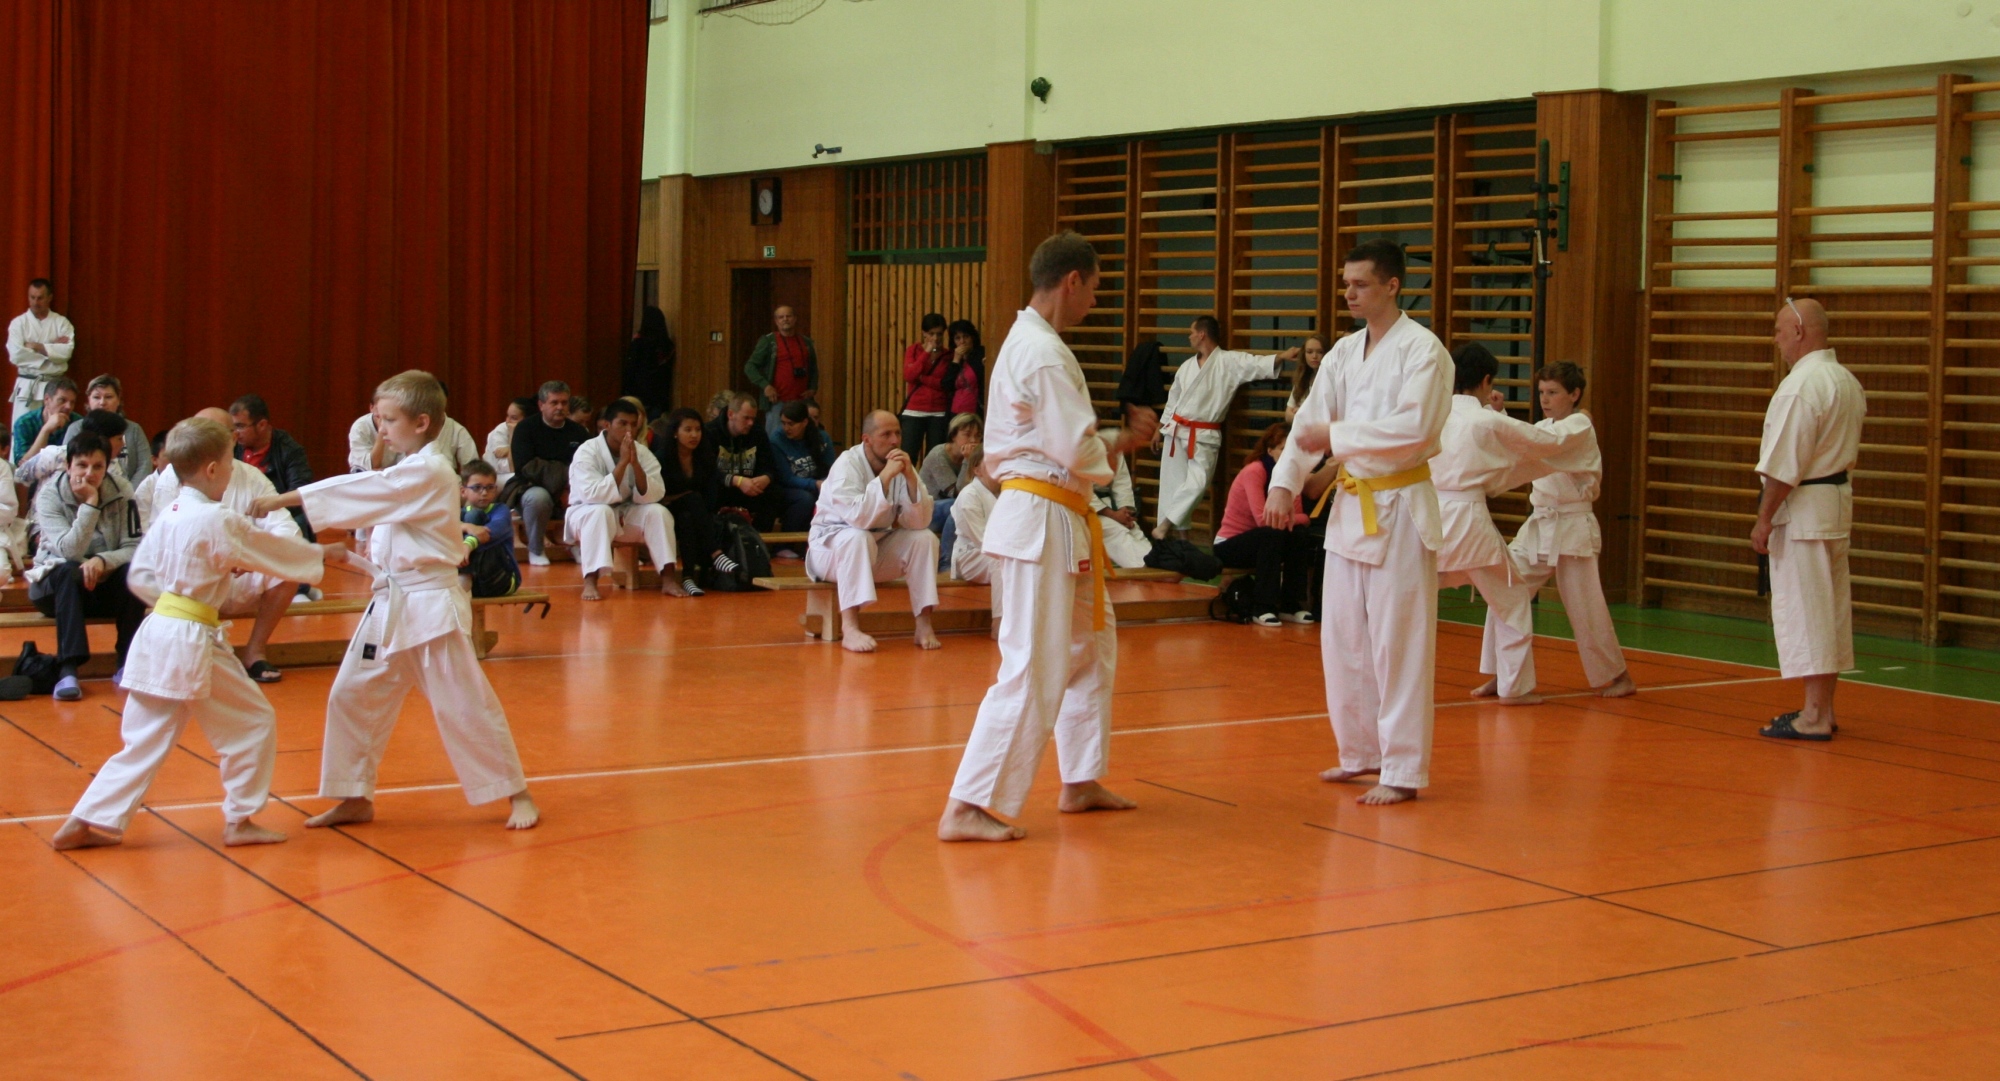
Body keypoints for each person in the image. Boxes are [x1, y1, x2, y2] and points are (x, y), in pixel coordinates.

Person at [940, 230, 1160, 842]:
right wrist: (1122, 440)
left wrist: (1109, 443)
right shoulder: (1043, 352)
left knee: (1092, 646)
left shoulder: (1033, 343)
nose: (1095, 300)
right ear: (1072, 281)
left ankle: (1080, 778)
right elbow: (1076, 450)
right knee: (1033, 664)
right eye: (1095, 288)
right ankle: (968, 804)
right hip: (1042, 518)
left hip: (1058, 518)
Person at [254, 370, 538, 831]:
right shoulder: (407, 470)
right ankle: (354, 796)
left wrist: (278, 500)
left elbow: (361, 491)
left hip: (429, 604)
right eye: (378, 419)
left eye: (389, 420)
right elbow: (374, 492)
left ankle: (517, 794)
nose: (381, 429)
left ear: (422, 422)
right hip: (390, 602)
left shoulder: (430, 470)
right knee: (352, 695)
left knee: (462, 702)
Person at [49, 418, 333, 852]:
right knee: (253, 722)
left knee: (144, 741)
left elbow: (140, 576)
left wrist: (184, 594)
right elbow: (273, 553)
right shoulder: (218, 518)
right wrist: (320, 553)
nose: (234, 472)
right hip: (192, 641)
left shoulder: (171, 514)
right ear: (214, 469)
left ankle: (84, 819)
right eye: (231, 464)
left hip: (158, 630)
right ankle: (240, 820)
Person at [1265, 239, 1454, 806]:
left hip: (1401, 510)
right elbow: (1308, 424)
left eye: (1361, 284)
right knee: (1343, 638)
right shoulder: (1345, 353)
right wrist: (1283, 483)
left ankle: (1403, 769)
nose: (1349, 292)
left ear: (1392, 286)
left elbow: (1416, 429)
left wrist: (1338, 437)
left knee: (1399, 645)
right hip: (1351, 510)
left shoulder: (1424, 351)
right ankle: (1361, 752)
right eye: (1346, 283)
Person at [1434, 344, 1593, 706]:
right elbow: (1544, 441)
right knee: (1512, 598)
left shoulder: (1434, 415)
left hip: (1429, 519)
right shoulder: (1485, 420)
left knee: (1411, 600)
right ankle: (1514, 687)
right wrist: (1580, 421)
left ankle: (1384, 680)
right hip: (1468, 522)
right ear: (1486, 380)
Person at [1752, 297, 1866, 741]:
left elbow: (1784, 466)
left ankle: (1815, 716)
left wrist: (1763, 518)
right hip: (1832, 503)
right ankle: (1823, 709)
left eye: (1779, 331)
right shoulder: (1844, 380)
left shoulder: (1801, 385)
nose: (1776, 340)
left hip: (1802, 511)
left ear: (1799, 331)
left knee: (1807, 613)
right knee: (1829, 611)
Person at [150, 407, 323, 684]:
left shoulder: (250, 478)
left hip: (236, 582)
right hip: (190, 596)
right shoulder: (174, 482)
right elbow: (162, 546)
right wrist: (322, 554)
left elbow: (286, 532)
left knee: (286, 570)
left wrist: (251, 560)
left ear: (232, 439)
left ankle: (255, 651)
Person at [1498, 362, 1636, 700]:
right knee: (1502, 588)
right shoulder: (1543, 428)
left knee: (1586, 607)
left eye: (1553, 392)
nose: (1544, 399)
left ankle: (1619, 676)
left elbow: (1542, 442)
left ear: (1574, 394)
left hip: (1572, 526)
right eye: (1541, 392)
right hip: (1539, 526)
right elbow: (1522, 443)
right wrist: (1496, 416)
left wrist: (1498, 420)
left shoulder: (1578, 426)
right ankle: (1502, 675)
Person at [806, 410, 941, 652]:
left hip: (873, 548)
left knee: (924, 538)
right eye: (886, 434)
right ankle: (850, 628)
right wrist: (885, 477)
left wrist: (911, 479)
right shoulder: (847, 464)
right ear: (866, 439)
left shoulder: (902, 465)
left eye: (898, 433)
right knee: (856, 537)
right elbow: (859, 518)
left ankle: (923, 624)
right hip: (828, 551)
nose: (894, 440)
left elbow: (919, 522)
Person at [27, 428, 146, 700]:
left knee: (134, 572)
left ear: (107, 467)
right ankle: (67, 671)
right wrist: (91, 504)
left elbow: (134, 547)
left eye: (97, 466)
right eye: (81, 465)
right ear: (68, 466)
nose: (89, 473)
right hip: (53, 587)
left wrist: (102, 560)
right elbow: (69, 550)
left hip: (102, 585)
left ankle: (127, 663)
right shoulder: (49, 495)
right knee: (69, 571)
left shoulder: (121, 490)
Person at [1154, 315, 1298, 539]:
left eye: (1192, 332)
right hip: (1176, 430)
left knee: (1198, 483)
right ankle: (1181, 541)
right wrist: (1160, 427)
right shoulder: (1186, 367)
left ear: (1202, 334)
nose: (1189, 337)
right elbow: (1173, 400)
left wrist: (1282, 356)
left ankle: (1165, 525)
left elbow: (1255, 364)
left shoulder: (1228, 361)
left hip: (1205, 433)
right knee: (1173, 485)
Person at [566, 398, 686, 601]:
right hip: (586, 514)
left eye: (633, 424)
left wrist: (635, 464)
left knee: (659, 512)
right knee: (600, 511)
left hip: (625, 514)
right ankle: (590, 582)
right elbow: (592, 495)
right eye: (623, 423)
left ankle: (668, 579)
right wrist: (622, 463)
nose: (629, 429)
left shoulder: (641, 452)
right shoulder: (587, 451)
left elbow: (656, 493)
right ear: (607, 424)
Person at [1215, 422, 1320, 626]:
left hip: (1268, 542)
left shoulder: (1293, 475)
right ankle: (1262, 606)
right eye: (1282, 449)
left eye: (1291, 450)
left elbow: (1296, 517)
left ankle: (1291, 604)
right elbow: (1263, 519)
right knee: (1272, 532)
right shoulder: (1254, 471)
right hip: (1231, 544)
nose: (1287, 455)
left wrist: (1300, 520)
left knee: (1297, 533)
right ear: (1270, 450)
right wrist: (1304, 518)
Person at [654, 407, 740, 595]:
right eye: (688, 430)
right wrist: (685, 497)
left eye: (698, 429)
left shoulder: (705, 457)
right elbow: (657, 495)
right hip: (665, 514)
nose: (694, 435)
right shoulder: (662, 457)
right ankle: (716, 554)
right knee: (692, 499)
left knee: (688, 517)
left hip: (695, 516)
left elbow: (710, 494)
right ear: (675, 433)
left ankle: (688, 578)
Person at [509, 380, 591, 566]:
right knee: (539, 497)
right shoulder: (525, 428)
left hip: (570, 489)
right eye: (554, 402)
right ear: (541, 405)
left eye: (564, 402)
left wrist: (568, 485)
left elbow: (585, 465)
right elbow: (527, 467)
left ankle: (577, 545)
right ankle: (536, 549)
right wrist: (564, 477)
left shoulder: (579, 432)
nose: (560, 407)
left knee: (589, 497)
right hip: (530, 487)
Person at [709, 392, 810, 531]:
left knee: (774, 493)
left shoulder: (757, 432)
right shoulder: (710, 432)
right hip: (723, 488)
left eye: (753, 418)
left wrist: (766, 477)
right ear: (731, 414)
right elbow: (707, 471)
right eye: (746, 418)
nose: (750, 423)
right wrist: (738, 481)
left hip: (750, 488)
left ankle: (760, 538)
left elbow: (770, 466)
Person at [229, 394, 315, 540]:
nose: (236, 433)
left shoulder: (289, 450)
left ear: (262, 425)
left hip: (277, 512)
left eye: (241, 426)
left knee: (299, 521)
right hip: (241, 511)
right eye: (233, 427)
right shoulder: (232, 447)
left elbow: (300, 490)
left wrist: (272, 510)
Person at [348, 381, 479, 475]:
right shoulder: (362, 427)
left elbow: (474, 468)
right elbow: (366, 469)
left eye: (389, 419)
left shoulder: (455, 431)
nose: (383, 428)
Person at [770, 398, 837, 558]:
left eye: (791, 424)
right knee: (805, 498)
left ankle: (825, 544)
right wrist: (815, 484)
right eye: (783, 423)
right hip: (786, 488)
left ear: (804, 422)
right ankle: (783, 545)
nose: (786, 428)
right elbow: (786, 477)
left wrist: (824, 483)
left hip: (815, 484)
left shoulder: (822, 438)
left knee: (833, 496)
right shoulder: (777, 439)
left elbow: (832, 469)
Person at [745, 305, 819, 440]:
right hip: (777, 402)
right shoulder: (769, 342)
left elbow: (813, 368)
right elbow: (750, 367)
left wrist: (813, 387)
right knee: (775, 440)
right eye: (781, 317)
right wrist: (766, 386)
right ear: (776, 321)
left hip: (802, 402)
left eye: (788, 316)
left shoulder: (806, 342)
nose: (785, 319)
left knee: (806, 439)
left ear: (795, 318)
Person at [7, 279, 75, 424]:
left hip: (54, 387)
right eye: (32, 297)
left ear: (50, 297)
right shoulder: (18, 324)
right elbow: (16, 355)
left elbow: (66, 352)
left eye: (40, 298)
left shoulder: (61, 323)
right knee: (23, 428)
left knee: (55, 428)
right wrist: (51, 349)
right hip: (28, 386)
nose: (35, 302)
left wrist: (38, 347)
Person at [63, 375, 150, 484]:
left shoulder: (134, 429)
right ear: (88, 400)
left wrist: (128, 491)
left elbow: (145, 464)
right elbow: (67, 461)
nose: (102, 402)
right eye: (96, 397)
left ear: (118, 400)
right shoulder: (76, 428)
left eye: (108, 397)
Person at [920, 412, 981, 557]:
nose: (973, 440)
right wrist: (968, 461)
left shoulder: (976, 456)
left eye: (977, 436)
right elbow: (957, 493)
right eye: (967, 435)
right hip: (925, 511)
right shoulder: (938, 455)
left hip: (949, 511)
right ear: (953, 435)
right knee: (958, 505)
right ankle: (946, 561)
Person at [459, 460, 520, 598]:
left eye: (490, 487)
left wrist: (468, 544)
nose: (484, 493)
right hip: (475, 581)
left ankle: (464, 577)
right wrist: (467, 526)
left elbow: (491, 531)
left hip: (501, 579)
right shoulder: (459, 513)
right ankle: (465, 578)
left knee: (474, 516)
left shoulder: (502, 510)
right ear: (463, 491)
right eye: (477, 487)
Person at [901, 313, 956, 457]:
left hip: (938, 412)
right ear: (924, 333)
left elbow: (944, 384)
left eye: (939, 334)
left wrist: (922, 378)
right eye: (931, 334)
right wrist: (926, 353)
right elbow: (909, 375)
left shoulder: (948, 355)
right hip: (914, 410)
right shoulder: (914, 350)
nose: (936, 338)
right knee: (908, 456)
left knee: (935, 458)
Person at [623, 305, 677, 422]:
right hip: (660, 396)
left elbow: (630, 370)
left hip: (640, 395)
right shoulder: (667, 345)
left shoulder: (638, 344)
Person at [13, 375, 76, 466]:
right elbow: (23, 466)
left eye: (72, 402)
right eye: (62, 400)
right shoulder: (24, 423)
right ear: (47, 400)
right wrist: (45, 430)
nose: (68, 407)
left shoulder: (77, 422)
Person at [486, 396, 534, 484]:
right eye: (507, 416)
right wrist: (512, 435)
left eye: (514, 418)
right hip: (496, 476)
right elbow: (512, 468)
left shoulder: (534, 430)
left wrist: (509, 450)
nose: (507, 421)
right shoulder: (501, 430)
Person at [948, 319, 986, 415]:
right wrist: (956, 360)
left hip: (975, 412)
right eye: (957, 338)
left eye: (966, 336)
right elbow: (947, 385)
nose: (962, 341)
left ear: (972, 337)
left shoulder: (982, 354)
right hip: (956, 412)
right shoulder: (952, 358)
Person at [1287, 333, 1328, 422]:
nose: (1314, 356)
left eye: (1320, 352)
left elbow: (1325, 415)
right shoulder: (1302, 377)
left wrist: (1301, 413)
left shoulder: (1330, 380)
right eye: (1309, 352)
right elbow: (1288, 416)